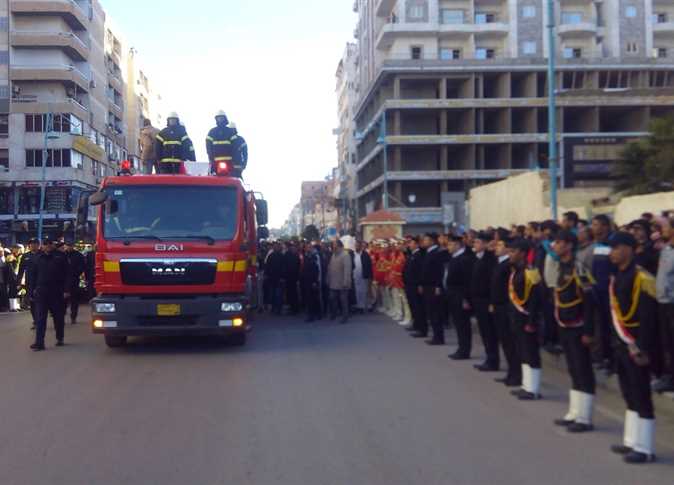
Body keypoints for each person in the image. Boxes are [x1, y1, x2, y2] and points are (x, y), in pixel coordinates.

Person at [607, 232, 658, 464]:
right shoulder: (619, 276)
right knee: (629, 392)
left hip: (636, 344)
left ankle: (645, 448)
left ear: (628, 249)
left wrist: (642, 348)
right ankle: (631, 440)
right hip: (621, 342)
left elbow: (648, 318)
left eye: (616, 248)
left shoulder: (642, 278)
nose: (612, 253)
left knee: (641, 394)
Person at [552, 230, 597, 433]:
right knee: (573, 369)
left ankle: (585, 417)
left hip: (579, 326)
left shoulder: (579, 268)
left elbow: (589, 303)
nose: (555, 246)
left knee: (583, 369)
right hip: (565, 325)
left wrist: (588, 331)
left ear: (569, 245)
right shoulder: (562, 267)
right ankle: (574, 412)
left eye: (559, 242)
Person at [508, 238, 543, 401]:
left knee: (531, 352)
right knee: (522, 351)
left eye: (513, 251)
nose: (510, 254)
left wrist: (531, 321)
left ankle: (533, 389)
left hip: (527, 317)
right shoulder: (516, 270)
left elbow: (537, 297)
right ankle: (526, 385)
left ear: (522, 253)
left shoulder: (531, 270)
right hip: (517, 317)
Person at [491, 235, 522, 387]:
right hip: (498, 305)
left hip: (505, 306)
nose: (496, 248)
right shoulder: (499, 263)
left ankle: (516, 375)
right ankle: (511, 372)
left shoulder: (509, 265)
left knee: (510, 342)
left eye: (500, 245)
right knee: (505, 342)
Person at [29, 239, 71, 351]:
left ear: (53, 245)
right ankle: (39, 343)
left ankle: (60, 338)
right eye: (45, 244)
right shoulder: (38, 258)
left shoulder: (60, 257)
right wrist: (31, 291)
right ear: (42, 246)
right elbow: (33, 275)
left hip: (56, 291)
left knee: (58, 317)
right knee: (40, 318)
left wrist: (66, 290)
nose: (47, 246)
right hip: (41, 291)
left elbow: (68, 274)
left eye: (49, 244)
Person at [471, 232, 499, 371]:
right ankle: (489, 358)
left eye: (477, 242)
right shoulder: (478, 258)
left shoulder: (490, 259)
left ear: (485, 244)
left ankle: (493, 361)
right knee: (484, 331)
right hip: (478, 300)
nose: (474, 245)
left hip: (486, 300)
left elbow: (491, 283)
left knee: (489, 332)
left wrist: (491, 301)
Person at [445, 234, 476, 360]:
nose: (448, 247)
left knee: (463, 324)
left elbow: (467, 281)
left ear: (457, 245)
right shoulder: (454, 258)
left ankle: (464, 350)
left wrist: (465, 299)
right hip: (453, 295)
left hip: (460, 296)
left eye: (450, 244)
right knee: (458, 323)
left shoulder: (464, 259)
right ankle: (461, 348)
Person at [591, 214, 615, 371]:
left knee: (612, 328)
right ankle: (605, 357)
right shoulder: (598, 245)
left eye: (596, 224)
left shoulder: (612, 243)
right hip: (597, 291)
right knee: (602, 327)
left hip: (609, 292)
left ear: (605, 226)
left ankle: (613, 361)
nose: (593, 228)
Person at [654, 216, 674, 393]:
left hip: (672, 302)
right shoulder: (666, 250)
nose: (663, 230)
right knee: (666, 341)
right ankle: (668, 375)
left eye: (666, 227)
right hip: (662, 302)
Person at [417, 233, 447, 344]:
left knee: (435, 312)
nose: (423, 242)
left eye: (426, 240)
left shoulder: (436, 253)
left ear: (432, 241)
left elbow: (439, 271)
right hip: (427, 286)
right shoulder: (428, 252)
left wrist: (438, 286)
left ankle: (439, 337)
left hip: (433, 286)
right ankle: (435, 336)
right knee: (430, 312)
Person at [403, 236, 426, 335]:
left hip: (415, 285)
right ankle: (415, 324)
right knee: (412, 306)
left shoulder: (419, 255)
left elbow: (420, 271)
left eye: (411, 243)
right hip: (409, 284)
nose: (409, 245)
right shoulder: (412, 254)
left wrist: (420, 284)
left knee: (418, 307)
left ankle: (421, 328)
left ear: (416, 244)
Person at [17, 238, 41, 329]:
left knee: (40, 302)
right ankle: (36, 321)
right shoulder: (25, 256)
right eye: (31, 244)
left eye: (35, 244)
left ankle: (40, 320)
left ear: (38, 245)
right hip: (29, 283)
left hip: (41, 282)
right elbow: (21, 270)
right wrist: (19, 282)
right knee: (32, 303)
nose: (33, 245)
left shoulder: (42, 255)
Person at [206, 110, 239, 175]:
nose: (220, 119)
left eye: (221, 118)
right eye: (218, 118)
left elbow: (235, 147)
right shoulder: (212, 132)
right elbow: (208, 146)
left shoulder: (230, 131)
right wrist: (211, 158)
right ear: (216, 119)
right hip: (215, 163)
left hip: (229, 163)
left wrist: (235, 161)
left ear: (225, 119)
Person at [327, 240, 352, 324]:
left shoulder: (345, 255)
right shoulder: (333, 255)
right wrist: (328, 278)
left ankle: (345, 316)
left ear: (339, 246)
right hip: (333, 282)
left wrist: (346, 282)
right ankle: (334, 314)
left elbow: (347, 270)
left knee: (343, 301)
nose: (333, 246)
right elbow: (330, 267)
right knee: (332, 298)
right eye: (333, 245)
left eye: (335, 245)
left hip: (342, 283)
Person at [64, 240, 86, 325]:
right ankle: (62, 316)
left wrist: (76, 273)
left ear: (73, 246)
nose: (69, 247)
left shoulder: (78, 255)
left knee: (74, 300)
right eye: (67, 245)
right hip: (63, 280)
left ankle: (73, 317)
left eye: (70, 245)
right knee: (63, 300)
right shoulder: (62, 255)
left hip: (74, 280)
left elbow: (82, 266)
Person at [301, 244, 322, 322]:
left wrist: (315, 281)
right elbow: (304, 269)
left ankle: (315, 314)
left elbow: (317, 270)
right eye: (306, 248)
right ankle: (314, 314)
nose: (307, 249)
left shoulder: (314, 257)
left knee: (314, 298)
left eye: (309, 248)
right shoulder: (306, 257)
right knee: (310, 298)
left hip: (313, 281)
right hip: (307, 281)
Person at [353, 241, 373, 314]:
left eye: (358, 246)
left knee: (365, 292)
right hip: (355, 276)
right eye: (355, 246)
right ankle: (359, 307)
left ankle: (368, 306)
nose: (356, 247)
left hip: (364, 276)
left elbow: (369, 266)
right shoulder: (353, 255)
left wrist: (370, 276)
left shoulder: (365, 255)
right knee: (357, 292)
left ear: (361, 246)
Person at [283, 244, 301, 315]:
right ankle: (293, 307)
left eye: (294, 248)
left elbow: (298, 266)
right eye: (292, 248)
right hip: (290, 277)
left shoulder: (295, 256)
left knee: (293, 293)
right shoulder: (289, 255)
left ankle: (294, 308)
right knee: (291, 293)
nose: (294, 249)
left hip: (293, 278)